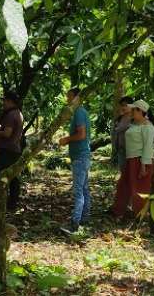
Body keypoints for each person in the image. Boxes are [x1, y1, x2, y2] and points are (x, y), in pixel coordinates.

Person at [112, 100, 154, 220]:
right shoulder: (134, 124)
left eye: (133, 110)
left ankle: (140, 216)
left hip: (140, 160)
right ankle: (118, 210)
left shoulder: (148, 127)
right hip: (131, 159)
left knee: (140, 189)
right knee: (124, 185)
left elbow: (148, 147)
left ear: (140, 111)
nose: (131, 112)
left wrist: (143, 166)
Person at [58, 88, 91, 234]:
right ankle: (84, 218)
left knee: (78, 190)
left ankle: (75, 223)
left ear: (77, 98)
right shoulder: (81, 112)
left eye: (69, 97)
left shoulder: (78, 112)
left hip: (80, 156)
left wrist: (66, 139)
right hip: (82, 156)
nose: (67, 100)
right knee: (84, 188)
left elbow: (81, 134)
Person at [0, 90, 24, 212]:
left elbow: (7, 133)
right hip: (14, 150)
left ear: (10, 101)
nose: (3, 103)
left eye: (4, 100)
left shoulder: (10, 115)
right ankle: (12, 205)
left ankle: (3, 204)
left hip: (7, 151)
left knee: (0, 176)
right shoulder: (18, 113)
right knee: (13, 178)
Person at [111, 96, 134, 169]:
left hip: (133, 151)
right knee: (123, 171)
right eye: (122, 105)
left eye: (125, 105)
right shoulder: (119, 119)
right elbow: (115, 132)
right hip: (121, 150)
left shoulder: (135, 118)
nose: (123, 107)